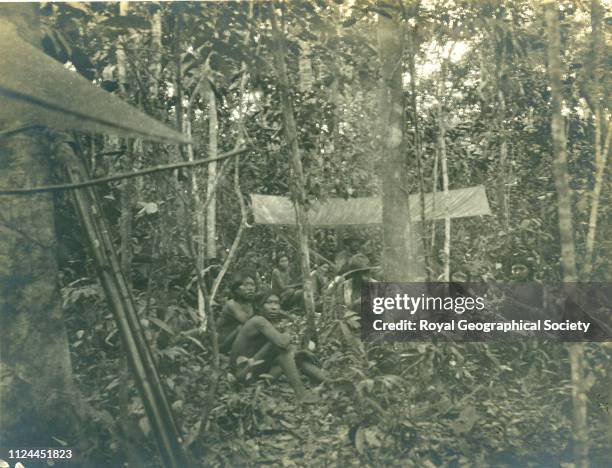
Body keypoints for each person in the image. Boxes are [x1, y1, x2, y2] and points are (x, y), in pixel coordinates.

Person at [230, 289, 322, 402]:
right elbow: (282, 343)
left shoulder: (267, 322)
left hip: (255, 372)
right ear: (258, 306)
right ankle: (301, 394)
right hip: (243, 376)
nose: (274, 307)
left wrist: (299, 352)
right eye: (269, 303)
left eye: (277, 303)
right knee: (280, 348)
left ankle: (326, 380)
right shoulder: (258, 321)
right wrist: (289, 331)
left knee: (296, 354)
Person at [217, 272, 257, 353]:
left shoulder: (250, 304)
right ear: (236, 289)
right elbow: (246, 321)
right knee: (242, 327)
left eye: (253, 285)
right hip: (222, 344)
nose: (251, 288)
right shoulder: (231, 304)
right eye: (246, 285)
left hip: (239, 342)